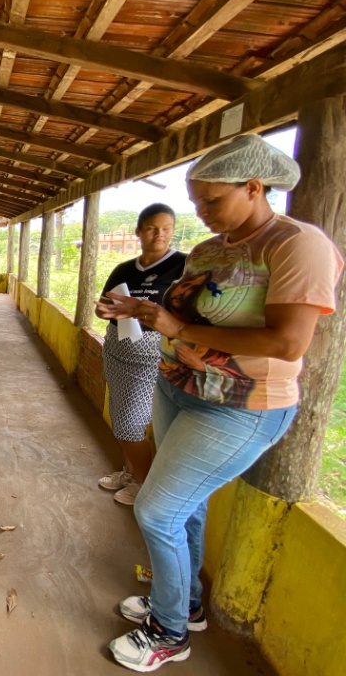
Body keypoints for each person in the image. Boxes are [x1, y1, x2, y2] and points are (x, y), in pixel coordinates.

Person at [99, 134, 343, 672]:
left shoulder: (296, 245)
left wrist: (179, 326)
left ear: (255, 188)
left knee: (156, 509)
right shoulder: (211, 249)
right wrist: (143, 308)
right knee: (185, 509)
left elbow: (287, 342)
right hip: (178, 386)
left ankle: (167, 633)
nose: (202, 213)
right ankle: (183, 606)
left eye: (212, 200)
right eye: (197, 203)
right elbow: (189, 316)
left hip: (240, 407)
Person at [95, 204, 187, 506]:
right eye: (151, 228)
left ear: (173, 231)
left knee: (131, 422)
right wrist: (104, 310)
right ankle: (130, 472)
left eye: (166, 228)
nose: (159, 234)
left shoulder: (184, 267)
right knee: (119, 414)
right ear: (138, 232)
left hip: (152, 353)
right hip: (118, 347)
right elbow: (103, 305)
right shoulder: (124, 269)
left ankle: (145, 485)